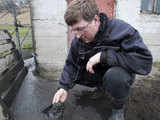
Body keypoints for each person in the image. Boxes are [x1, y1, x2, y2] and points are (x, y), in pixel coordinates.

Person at [52, 0, 153, 119]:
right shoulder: (79, 40)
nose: (77, 35)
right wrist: (63, 87)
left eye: (80, 29)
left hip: (117, 73)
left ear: (95, 20)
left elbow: (144, 62)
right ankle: (102, 87)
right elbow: (71, 64)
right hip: (98, 72)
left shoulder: (122, 31)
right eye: (73, 30)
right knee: (78, 71)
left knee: (115, 77)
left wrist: (104, 56)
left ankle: (118, 108)